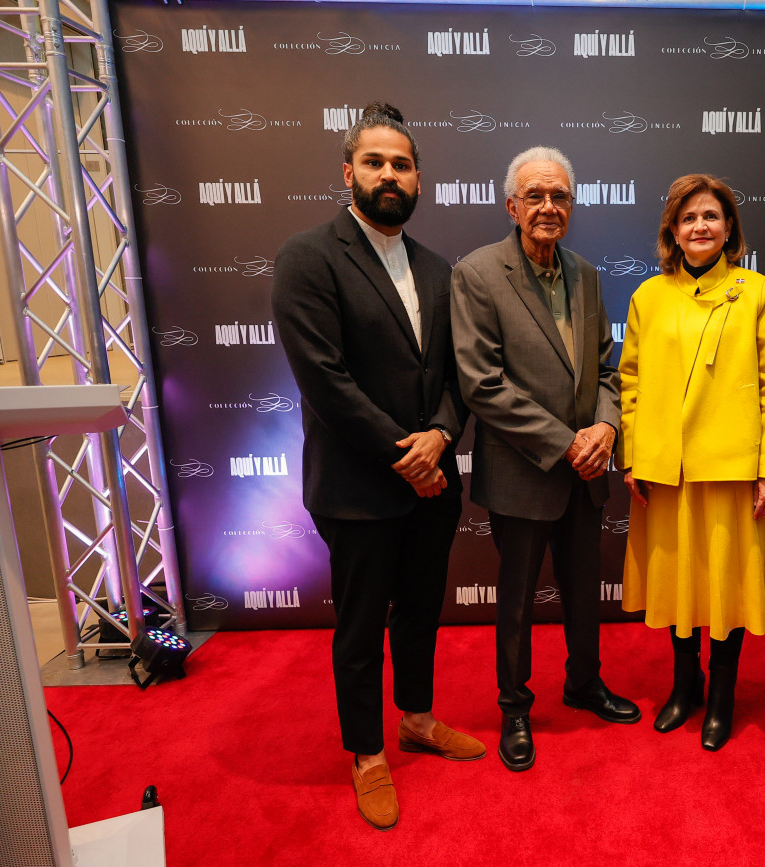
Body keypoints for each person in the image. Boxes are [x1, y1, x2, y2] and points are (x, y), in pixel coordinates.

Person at [272, 102, 482, 832]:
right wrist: (408, 456)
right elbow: (326, 381)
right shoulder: (308, 257)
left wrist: (442, 437)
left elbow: (457, 375)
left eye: (402, 164)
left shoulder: (437, 269)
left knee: (421, 612)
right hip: (359, 488)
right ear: (348, 172)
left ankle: (417, 720)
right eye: (375, 162)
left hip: (433, 482)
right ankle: (366, 753)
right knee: (361, 629)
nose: (389, 174)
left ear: (418, 178)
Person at [451, 146, 640, 773]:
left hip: (586, 472)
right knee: (516, 601)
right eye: (535, 195)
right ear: (512, 206)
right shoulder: (478, 273)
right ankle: (514, 707)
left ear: (572, 207)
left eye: (559, 196)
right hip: (523, 472)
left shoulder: (585, 273)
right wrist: (568, 443)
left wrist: (606, 428)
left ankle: (584, 683)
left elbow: (607, 368)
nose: (548, 207)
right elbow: (482, 384)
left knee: (584, 591)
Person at [618, 174, 765, 751]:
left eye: (711, 216)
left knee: (725, 586)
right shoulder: (648, 296)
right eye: (689, 217)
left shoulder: (757, 291)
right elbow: (630, 384)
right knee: (678, 585)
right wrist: (633, 459)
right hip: (666, 471)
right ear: (673, 230)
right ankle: (683, 686)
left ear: (728, 229)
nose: (700, 226)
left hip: (733, 471)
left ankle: (722, 695)